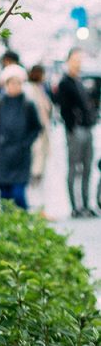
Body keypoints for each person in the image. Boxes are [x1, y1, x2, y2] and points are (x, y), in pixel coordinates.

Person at [0, 62, 41, 209]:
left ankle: (23, 224)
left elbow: (36, 127)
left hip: (21, 157)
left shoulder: (28, 104)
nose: (14, 86)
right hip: (3, 156)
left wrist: (25, 143)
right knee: (5, 196)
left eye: (17, 83)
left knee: (19, 194)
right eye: (11, 83)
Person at [56, 47, 97, 218]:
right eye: (75, 59)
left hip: (86, 129)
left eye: (80, 59)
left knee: (87, 168)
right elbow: (64, 109)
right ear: (68, 61)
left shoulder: (79, 81)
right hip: (75, 130)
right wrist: (72, 126)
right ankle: (75, 206)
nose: (78, 63)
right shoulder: (65, 83)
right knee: (74, 168)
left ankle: (86, 204)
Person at [25, 63, 52, 188]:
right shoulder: (30, 88)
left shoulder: (39, 87)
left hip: (42, 126)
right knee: (37, 150)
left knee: (40, 151)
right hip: (36, 126)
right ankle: (34, 174)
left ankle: (37, 174)